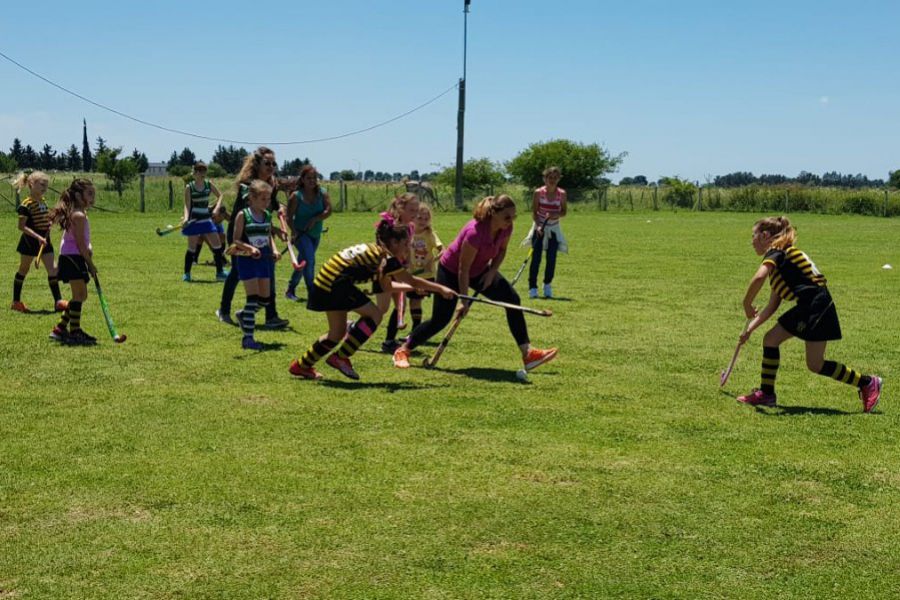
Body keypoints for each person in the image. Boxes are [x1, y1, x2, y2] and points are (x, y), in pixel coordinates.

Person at [392, 195, 559, 372]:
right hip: (451, 271)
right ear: (493, 214)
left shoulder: (506, 227)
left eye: (513, 216)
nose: (511, 221)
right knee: (441, 319)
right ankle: (403, 350)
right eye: (507, 217)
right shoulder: (475, 232)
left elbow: (501, 251)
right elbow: (463, 269)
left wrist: (491, 273)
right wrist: (463, 302)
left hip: (479, 270)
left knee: (511, 298)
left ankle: (528, 354)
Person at [736, 216, 882, 412]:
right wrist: (750, 330)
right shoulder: (783, 260)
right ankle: (767, 394)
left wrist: (746, 304)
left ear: (765, 235)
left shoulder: (776, 252)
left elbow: (759, 277)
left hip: (816, 306)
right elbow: (772, 305)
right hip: (811, 305)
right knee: (790, 350)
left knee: (812, 362)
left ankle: (867, 382)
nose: (751, 241)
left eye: (753, 236)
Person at [289, 220, 455, 381]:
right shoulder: (388, 258)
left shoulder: (379, 253)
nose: (408, 248)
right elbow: (411, 280)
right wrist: (440, 288)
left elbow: (387, 286)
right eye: (406, 244)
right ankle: (341, 357)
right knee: (375, 315)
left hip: (324, 283)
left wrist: (411, 288)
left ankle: (301, 365)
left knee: (336, 333)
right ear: (394, 242)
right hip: (336, 284)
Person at [216, 147, 289, 329]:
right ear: (257, 165)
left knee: (268, 272)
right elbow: (249, 214)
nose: (271, 166)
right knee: (236, 273)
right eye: (267, 163)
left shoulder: (271, 185)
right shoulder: (247, 187)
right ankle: (224, 310)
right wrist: (271, 228)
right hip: (241, 235)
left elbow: (268, 207)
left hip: (261, 234)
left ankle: (271, 316)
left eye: (274, 163)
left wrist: (280, 208)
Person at [231, 180, 280, 350]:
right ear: (252, 198)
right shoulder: (243, 215)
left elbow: (268, 237)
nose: (267, 203)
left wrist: (274, 250)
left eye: (268, 199)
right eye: (263, 199)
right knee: (252, 299)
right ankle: (248, 339)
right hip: (246, 260)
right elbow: (235, 240)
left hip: (263, 259)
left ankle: (244, 315)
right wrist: (250, 248)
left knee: (265, 299)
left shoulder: (267, 215)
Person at [48, 178, 98, 345]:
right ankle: (74, 331)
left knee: (80, 295)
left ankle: (60, 329)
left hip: (72, 257)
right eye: (89, 194)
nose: (93, 198)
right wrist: (90, 264)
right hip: (73, 258)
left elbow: (80, 241)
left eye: (94, 194)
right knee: (80, 295)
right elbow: (80, 243)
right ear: (78, 195)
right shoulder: (78, 215)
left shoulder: (78, 214)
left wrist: (88, 250)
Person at [11, 171, 66, 312]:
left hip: (44, 240)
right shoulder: (26, 204)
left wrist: (52, 221)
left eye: (46, 185)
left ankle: (58, 301)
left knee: (52, 269)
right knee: (24, 269)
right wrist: (38, 237)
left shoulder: (43, 201)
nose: (45, 188)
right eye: (42, 184)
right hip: (30, 241)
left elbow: (44, 219)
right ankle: (16, 302)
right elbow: (21, 227)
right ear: (31, 184)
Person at [378, 192, 419, 352]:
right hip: (384, 271)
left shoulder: (410, 227)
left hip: (399, 269)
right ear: (401, 208)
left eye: (416, 210)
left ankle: (389, 341)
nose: (414, 214)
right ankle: (352, 328)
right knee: (381, 309)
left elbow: (407, 247)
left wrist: (407, 262)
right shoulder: (387, 224)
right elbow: (381, 247)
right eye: (411, 210)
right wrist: (393, 267)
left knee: (401, 306)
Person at [285, 165, 331, 301]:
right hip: (301, 234)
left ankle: (290, 289)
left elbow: (328, 210)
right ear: (302, 179)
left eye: (314, 178)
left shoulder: (322, 193)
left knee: (303, 261)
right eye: (309, 178)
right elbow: (289, 217)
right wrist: (293, 232)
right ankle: (312, 290)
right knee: (310, 260)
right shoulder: (296, 196)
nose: (312, 181)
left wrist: (315, 219)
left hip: (315, 234)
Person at [401, 203, 443, 338]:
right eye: (419, 218)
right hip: (410, 274)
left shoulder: (430, 234)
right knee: (412, 301)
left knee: (416, 300)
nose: (423, 222)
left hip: (426, 275)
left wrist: (434, 260)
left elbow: (442, 250)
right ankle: (416, 330)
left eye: (426, 219)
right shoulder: (407, 232)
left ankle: (415, 331)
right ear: (413, 218)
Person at [526, 166, 568, 299]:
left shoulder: (562, 193)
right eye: (550, 178)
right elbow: (534, 212)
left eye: (555, 178)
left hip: (554, 229)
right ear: (545, 178)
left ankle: (547, 285)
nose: (552, 180)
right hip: (539, 228)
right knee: (536, 258)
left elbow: (564, 212)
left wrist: (556, 214)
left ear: (558, 179)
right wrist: (538, 226)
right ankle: (533, 288)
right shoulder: (538, 192)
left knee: (551, 259)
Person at [181, 161, 227, 282]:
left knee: (217, 246)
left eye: (204, 171)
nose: (202, 174)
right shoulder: (189, 187)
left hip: (206, 220)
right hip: (194, 221)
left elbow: (220, 195)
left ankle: (220, 273)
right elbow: (187, 206)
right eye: (200, 171)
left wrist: (216, 207)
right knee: (191, 248)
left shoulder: (208, 184)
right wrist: (186, 218)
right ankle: (187, 274)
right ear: (194, 173)